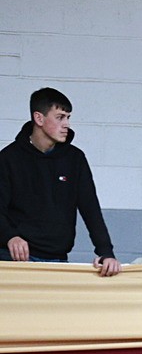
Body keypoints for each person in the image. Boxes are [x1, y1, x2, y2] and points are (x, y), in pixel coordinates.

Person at [0, 88, 121, 275]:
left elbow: (90, 209)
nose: (67, 124)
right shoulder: (8, 158)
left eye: (68, 117)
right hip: (15, 260)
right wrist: (10, 237)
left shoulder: (75, 159)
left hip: (58, 260)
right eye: (60, 117)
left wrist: (106, 253)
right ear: (39, 119)